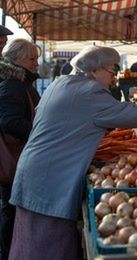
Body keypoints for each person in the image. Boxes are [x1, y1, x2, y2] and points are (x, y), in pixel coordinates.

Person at [8, 46, 137, 259]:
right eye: (112, 71)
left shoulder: (61, 83)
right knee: (46, 245)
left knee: (28, 241)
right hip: (51, 178)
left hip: (34, 170)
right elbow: (133, 114)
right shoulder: (90, 92)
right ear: (94, 70)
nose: (114, 78)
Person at [0, 39, 40, 260]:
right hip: (16, 157)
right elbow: (10, 122)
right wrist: (39, 136)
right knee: (12, 209)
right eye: (32, 58)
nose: (36, 63)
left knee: (13, 208)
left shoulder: (21, 82)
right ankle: (8, 254)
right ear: (16, 60)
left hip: (22, 157)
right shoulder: (13, 85)